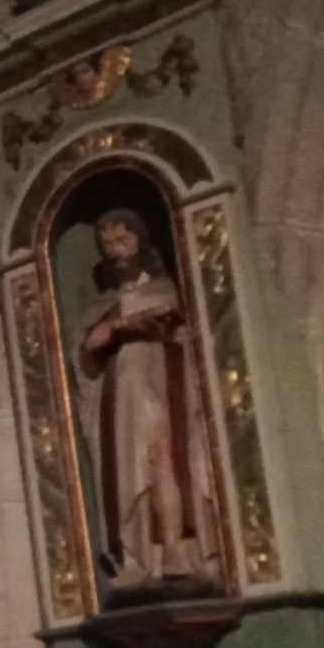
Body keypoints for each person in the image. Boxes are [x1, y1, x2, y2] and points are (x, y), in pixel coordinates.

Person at [72, 210, 222, 597]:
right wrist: (119, 326)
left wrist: (128, 326)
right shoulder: (105, 304)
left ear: (141, 241)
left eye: (123, 241)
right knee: (131, 469)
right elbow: (89, 347)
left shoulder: (166, 288)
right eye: (108, 245)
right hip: (122, 394)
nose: (116, 251)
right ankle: (139, 558)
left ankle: (177, 551)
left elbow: (181, 329)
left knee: (163, 461)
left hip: (164, 382)